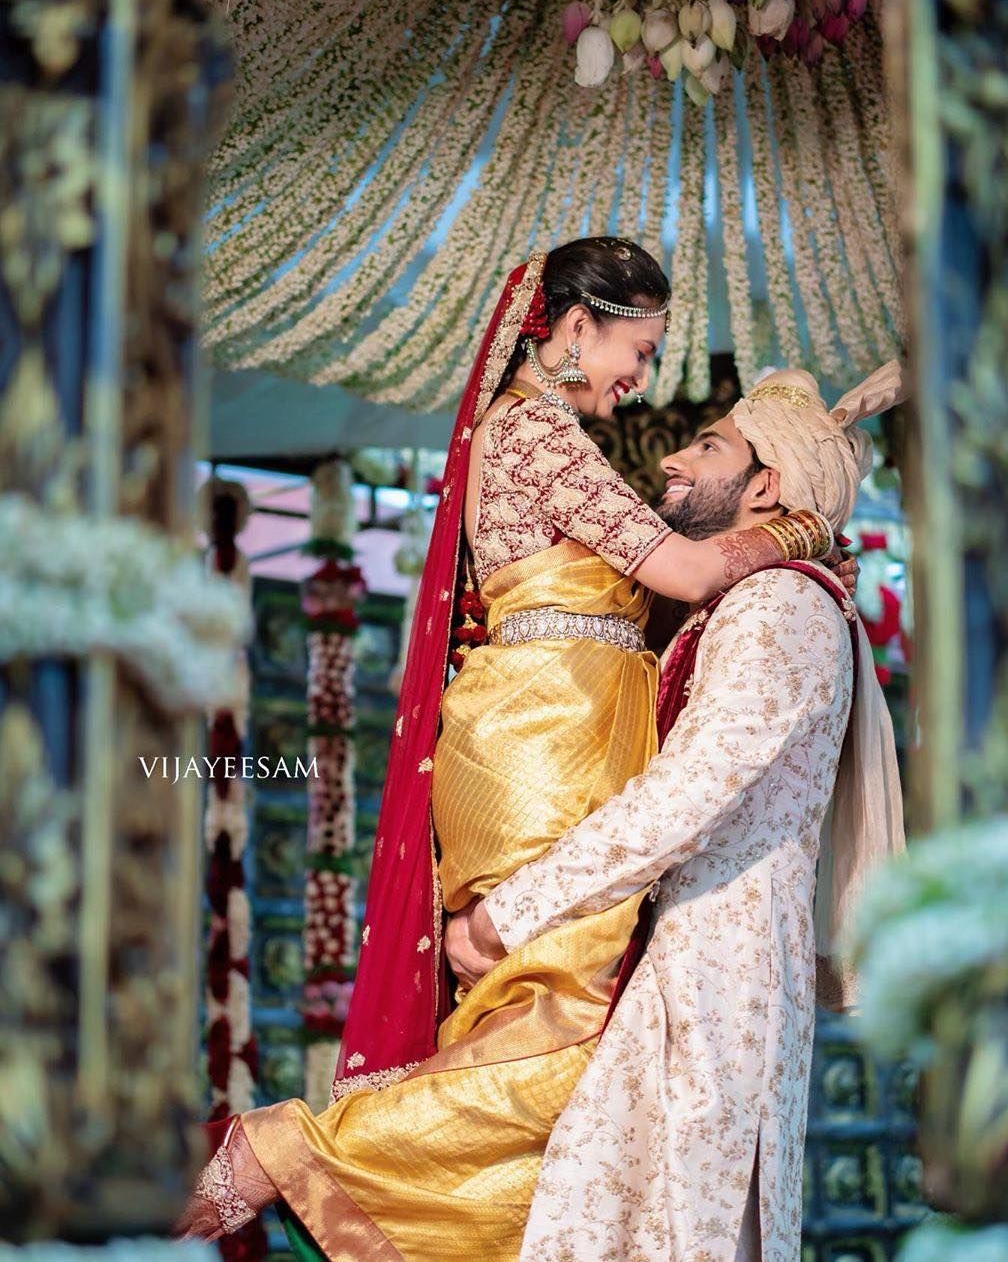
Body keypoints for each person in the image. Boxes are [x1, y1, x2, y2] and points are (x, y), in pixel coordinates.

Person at [179, 239, 844, 1259]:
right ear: (576, 325)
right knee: (574, 1029)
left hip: (543, 735)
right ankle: (284, 1153)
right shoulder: (537, 433)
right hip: (544, 743)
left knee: (538, 1033)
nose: (642, 382)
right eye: (639, 347)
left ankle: (332, 1181)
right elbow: (694, 568)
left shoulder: (542, 435)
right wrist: (803, 531)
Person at [447, 361, 907, 1261]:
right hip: (691, 963)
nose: (670, 463)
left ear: (765, 485)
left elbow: (686, 795)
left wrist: (508, 915)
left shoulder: (782, 604)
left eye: (707, 446)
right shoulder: (760, 600)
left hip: (716, 979)